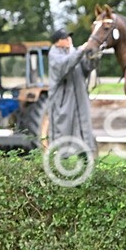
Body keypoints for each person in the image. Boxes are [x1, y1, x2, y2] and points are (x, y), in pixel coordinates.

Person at [46, 28, 98, 156]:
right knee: (62, 133)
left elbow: (85, 69)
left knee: (83, 133)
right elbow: (65, 66)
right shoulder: (54, 55)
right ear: (57, 42)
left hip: (79, 100)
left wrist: (92, 57)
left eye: (69, 37)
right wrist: (81, 50)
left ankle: (86, 166)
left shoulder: (73, 52)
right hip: (63, 102)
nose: (69, 39)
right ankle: (59, 167)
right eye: (65, 38)